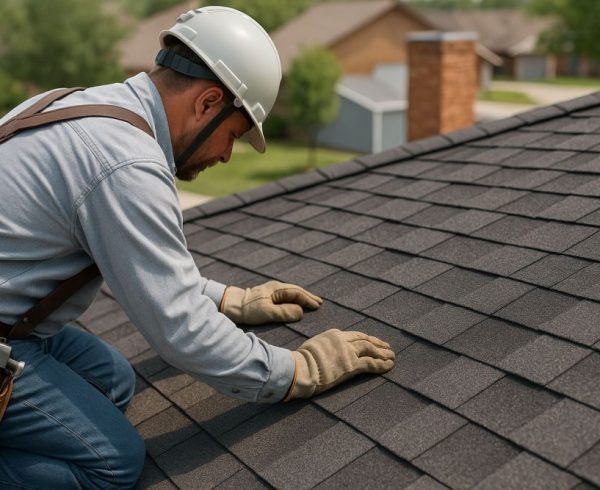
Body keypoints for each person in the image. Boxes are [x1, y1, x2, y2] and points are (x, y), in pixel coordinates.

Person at [0, 6, 395, 489]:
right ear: (209, 102)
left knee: (112, 382)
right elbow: (179, 325)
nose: (228, 154)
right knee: (113, 464)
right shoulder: (126, 164)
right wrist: (298, 369)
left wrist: (232, 301)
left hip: (12, 316)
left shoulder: (78, 105)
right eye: (233, 135)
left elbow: (148, 269)